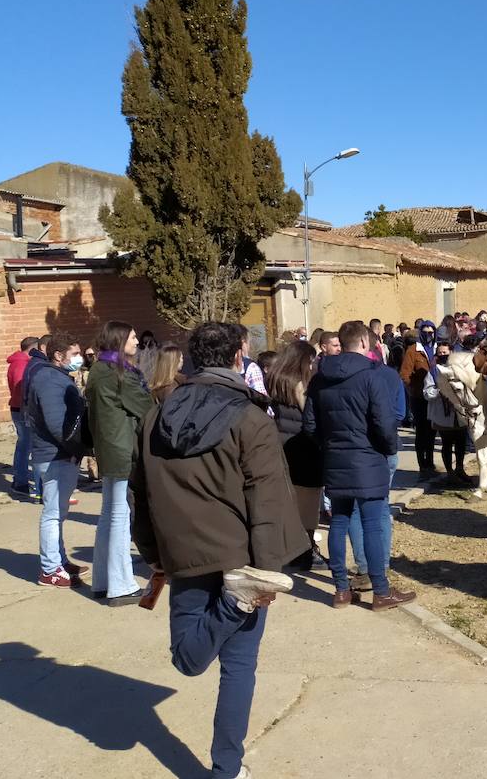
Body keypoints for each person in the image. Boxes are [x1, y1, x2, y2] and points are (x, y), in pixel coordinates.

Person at [130, 320, 305, 779]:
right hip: (241, 561)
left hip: (184, 553)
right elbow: (268, 499)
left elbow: (139, 493)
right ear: (237, 356)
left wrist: (151, 551)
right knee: (230, 667)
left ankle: (227, 768)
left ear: (192, 358)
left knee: (204, 661)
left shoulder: (155, 415)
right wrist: (265, 572)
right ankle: (226, 768)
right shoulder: (251, 418)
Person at [305, 320, 413, 611]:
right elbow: (384, 422)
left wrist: (329, 447)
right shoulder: (372, 376)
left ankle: (341, 590)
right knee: (372, 525)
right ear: (365, 343)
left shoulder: (319, 378)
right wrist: (387, 448)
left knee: (339, 521)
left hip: (335, 458)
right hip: (369, 458)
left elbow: (310, 424)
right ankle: (380, 591)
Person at [84, 321, 150, 606]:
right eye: (133, 337)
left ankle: (103, 581)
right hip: (121, 449)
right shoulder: (117, 373)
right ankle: (121, 585)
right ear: (120, 340)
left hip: (108, 447)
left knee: (109, 515)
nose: (136, 342)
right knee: (119, 518)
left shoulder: (99, 368)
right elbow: (146, 408)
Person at [23, 333, 88, 587]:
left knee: (58, 512)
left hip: (58, 454)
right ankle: (50, 569)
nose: (79, 358)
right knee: (52, 513)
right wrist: (75, 448)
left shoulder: (55, 377)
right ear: (58, 356)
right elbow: (57, 424)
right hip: (55, 455)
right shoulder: (50, 380)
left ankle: (59, 560)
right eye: (74, 354)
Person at [265, 340, 324, 571]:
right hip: (303, 448)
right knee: (308, 505)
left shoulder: (275, 379)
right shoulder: (301, 384)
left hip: (281, 444)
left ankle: (289, 549)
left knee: (289, 503)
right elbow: (307, 414)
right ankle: (305, 551)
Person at [424, 342, 469, 485]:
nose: (443, 355)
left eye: (445, 352)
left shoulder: (459, 369)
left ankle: (460, 469)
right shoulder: (432, 372)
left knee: (461, 442)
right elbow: (427, 392)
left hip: (460, 412)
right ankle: (450, 473)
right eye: (440, 353)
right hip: (443, 414)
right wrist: (441, 391)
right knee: (447, 443)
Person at [401, 321, 438, 478]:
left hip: (435, 397)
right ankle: (422, 465)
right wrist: (414, 389)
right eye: (425, 332)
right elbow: (404, 374)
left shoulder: (436, 349)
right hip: (419, 398)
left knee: (432, 432)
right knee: (421, 432)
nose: (428, 335)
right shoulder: (413, 351)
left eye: (431, 332)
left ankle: (430, 462)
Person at [6, 336, 38, 497]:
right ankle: (20, 482)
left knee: (25, 444)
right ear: (32, 349)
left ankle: (20, 480)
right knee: (25, 445)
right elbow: (21, 388)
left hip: (19, 408)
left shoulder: (19, 362)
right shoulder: (20, 364)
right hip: (21, 409)